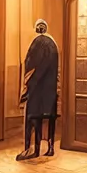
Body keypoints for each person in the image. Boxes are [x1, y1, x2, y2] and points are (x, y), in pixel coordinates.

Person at [17, 18, 59, 160]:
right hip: (50, 91)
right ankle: (50, 148)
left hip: (37, 90)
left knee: (32, 118)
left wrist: (25, 89)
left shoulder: (36, 43)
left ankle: (31, 150)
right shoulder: (54, 44)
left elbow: (30, 68)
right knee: (49, 118)